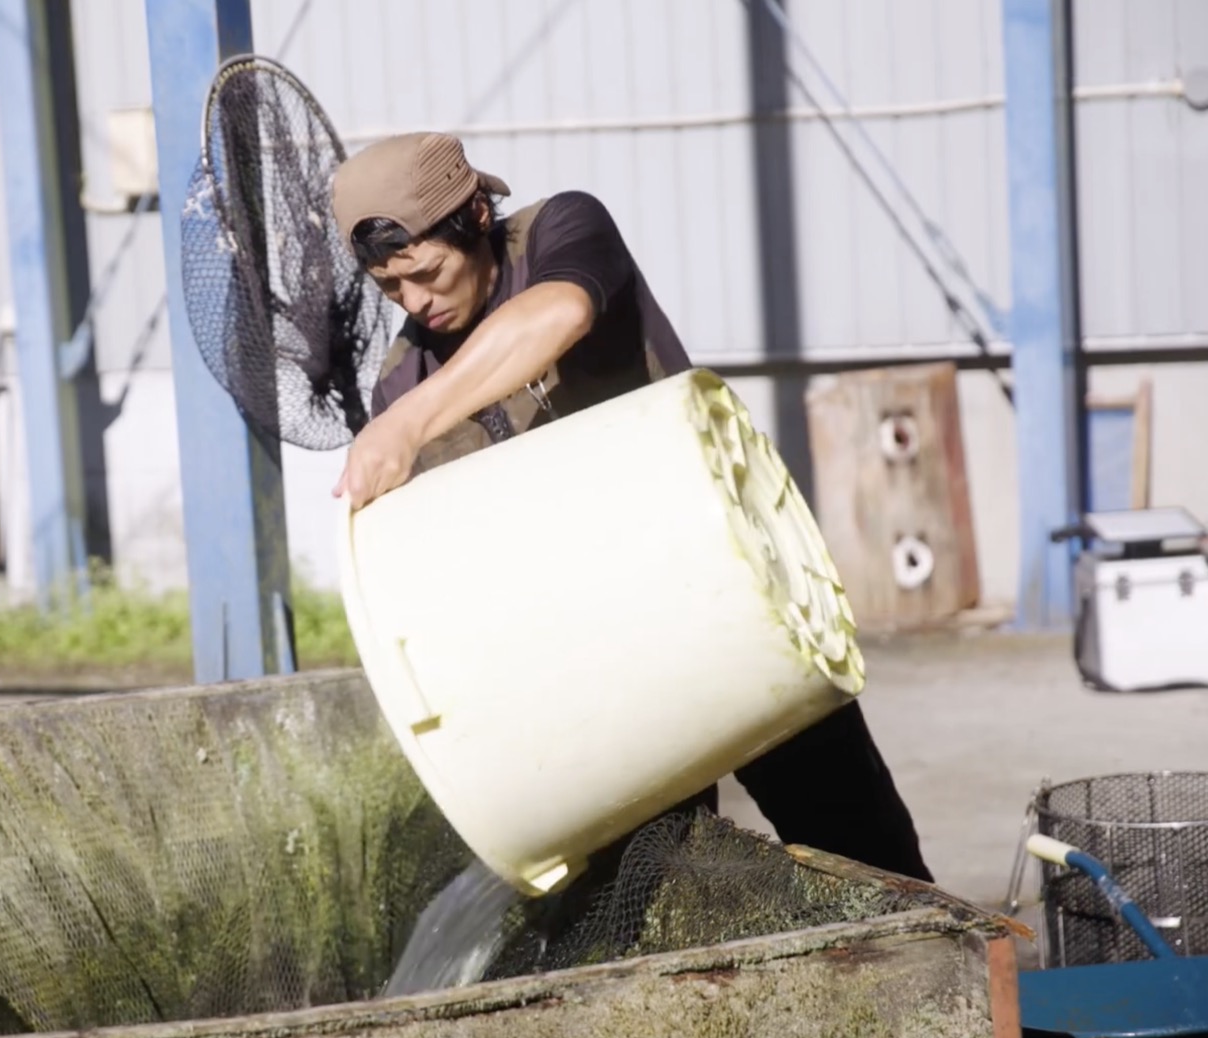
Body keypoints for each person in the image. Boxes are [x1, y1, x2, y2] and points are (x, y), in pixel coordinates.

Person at [328, 131, 933, 883]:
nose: (415, 302)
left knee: (865, 851)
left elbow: (559, 313)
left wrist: (409, 423)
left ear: (477, 214)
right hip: (619, 674)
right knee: (665, 897)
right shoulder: (405, 377)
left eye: (427, 273)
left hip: (740, 601)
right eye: (390, 290)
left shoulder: (560, 231)